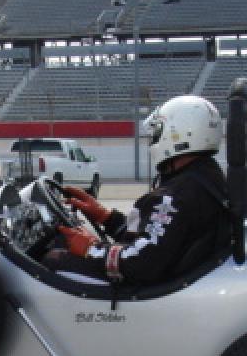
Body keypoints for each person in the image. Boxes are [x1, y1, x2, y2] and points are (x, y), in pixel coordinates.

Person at [43, 95, 228, 286]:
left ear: (178, 136)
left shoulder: (176, 196)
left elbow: (141, 262)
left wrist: (90, 248)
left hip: (149, 287)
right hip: (170, 276)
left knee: (52, 260)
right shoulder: (204, 179)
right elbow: (157, 239)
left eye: (157, 133)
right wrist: (106, 217)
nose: (153, 140)